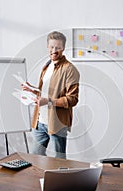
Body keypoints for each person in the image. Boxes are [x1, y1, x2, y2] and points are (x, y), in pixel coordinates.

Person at [22, 31, 80, 159]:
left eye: (58, 47)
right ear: (48, 47)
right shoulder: (47, 66)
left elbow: (72, 100)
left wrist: (48, 101)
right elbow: (45, 92)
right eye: (52, 47)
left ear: (63, 48)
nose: (54, 50)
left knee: (59, 162)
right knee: (35, 158)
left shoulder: (70, 69)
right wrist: (32, 90)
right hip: (40, 121)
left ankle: (60, 179)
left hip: (57, 123)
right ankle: (41, 179)